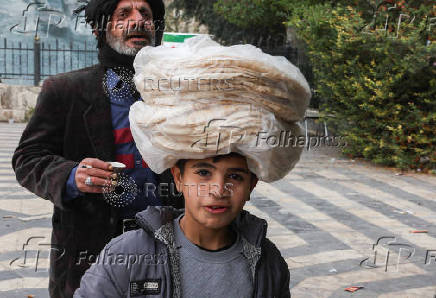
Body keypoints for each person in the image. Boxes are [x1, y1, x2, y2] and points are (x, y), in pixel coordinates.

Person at [11, 0, 182, 297]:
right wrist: (71, 175)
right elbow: (27, 158)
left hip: (169, 247)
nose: (137, 20)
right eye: (124, 14)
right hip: (89, 252)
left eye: (146, 13)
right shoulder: (66, 91)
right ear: (99, 29)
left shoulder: (180, 93)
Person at [74, 152, 291, 297]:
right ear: (178, 178)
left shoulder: (268, 262)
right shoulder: (127, 254)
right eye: (204, 173)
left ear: (251, 186)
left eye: (234, 176)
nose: (218, 189)